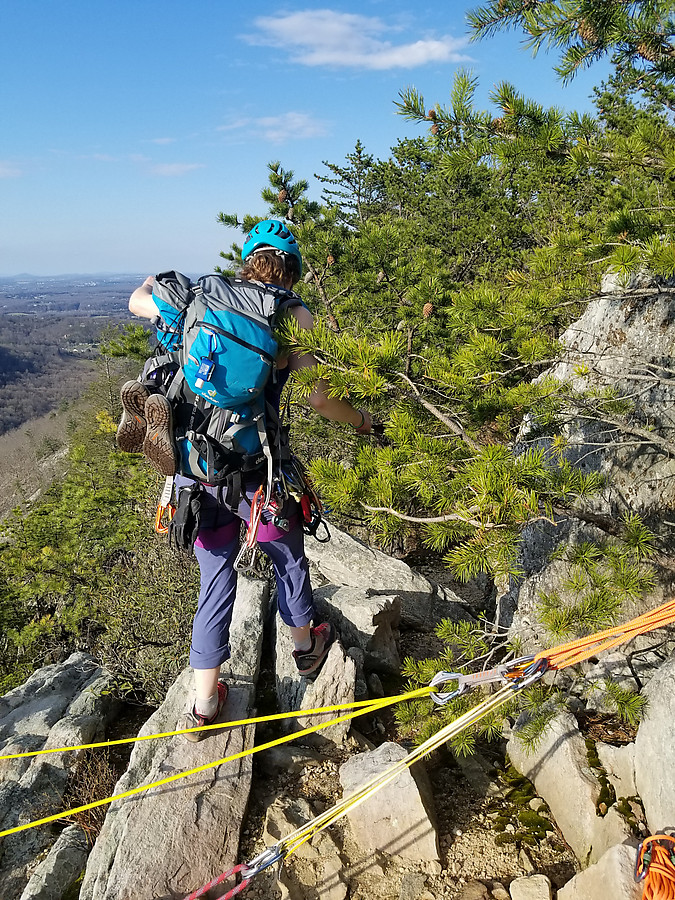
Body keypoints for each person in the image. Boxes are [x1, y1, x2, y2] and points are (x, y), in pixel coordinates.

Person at [125, 219, 372, 740]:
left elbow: (136, 302)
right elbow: (320, 400)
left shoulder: (206, 296)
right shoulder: (293, 315)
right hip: (260, 472)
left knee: (215, 579)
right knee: (286, 557)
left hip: (196, 469)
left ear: (249, 257)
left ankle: (204, 703)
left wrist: (155, 284)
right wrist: (365, 423)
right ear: (292, 269)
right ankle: (306, 648)